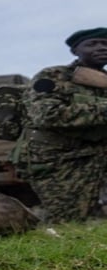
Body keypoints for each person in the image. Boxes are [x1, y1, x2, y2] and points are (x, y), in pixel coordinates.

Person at [14, 27, 107, 223]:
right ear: (75, 50)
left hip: (95, 153)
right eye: (92, 44)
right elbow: (47, 115)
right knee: (70, 220)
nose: (101, 48)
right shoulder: (53, 76)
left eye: (105, 44)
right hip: (58, 159)